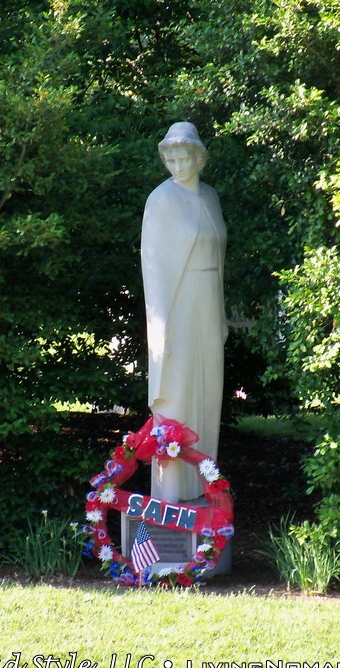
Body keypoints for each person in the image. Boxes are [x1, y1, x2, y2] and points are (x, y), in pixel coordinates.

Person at [141, 122, 227, 503]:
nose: (177, 165)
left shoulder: (210, 197)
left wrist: (220, 315)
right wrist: (162, 331)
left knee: (209, 391)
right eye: (171, 159)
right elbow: (155, 270)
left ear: (198, 158)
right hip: (178, 305)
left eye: (184, 158)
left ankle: (204, 485)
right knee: (177, 391)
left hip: (207, 303)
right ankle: (172, 493)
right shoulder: (160, 200)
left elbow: (219, 259)